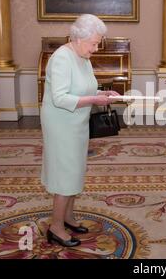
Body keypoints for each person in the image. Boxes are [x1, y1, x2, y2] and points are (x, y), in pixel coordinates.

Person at [41, 14, 119, 247]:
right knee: (65, 172)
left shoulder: (82, 55)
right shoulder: (62, 58)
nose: (96, 48)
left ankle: (67, 217)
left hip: (77, 121)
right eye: (94, 43)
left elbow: (86, 88)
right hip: (61, 122)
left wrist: (102, 95)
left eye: (98, 43)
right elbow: (61, 98)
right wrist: (95, 99)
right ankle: (55, 227)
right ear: (78, 37)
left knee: (75, 169)